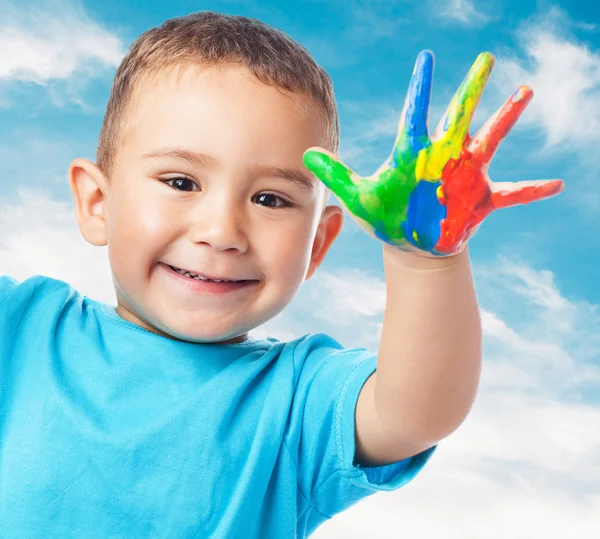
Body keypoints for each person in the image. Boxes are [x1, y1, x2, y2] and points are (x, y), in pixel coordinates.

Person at [0, 10, 562, 539]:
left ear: (317, 245)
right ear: (97, 202)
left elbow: (417, 412)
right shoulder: (21, 327)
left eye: (270, 198)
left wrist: (424, 258)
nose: (221, 231)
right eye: (181, 182)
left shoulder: (297, 398)